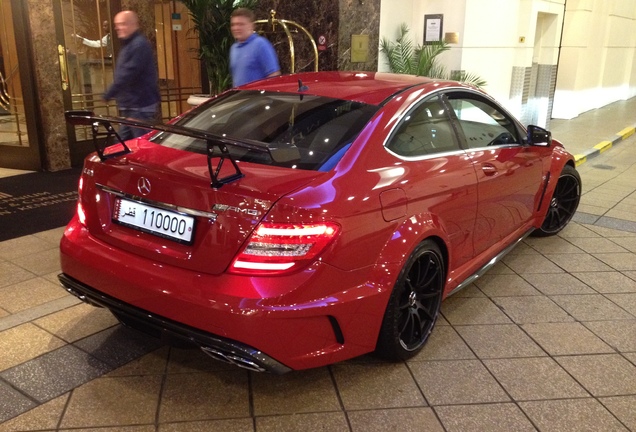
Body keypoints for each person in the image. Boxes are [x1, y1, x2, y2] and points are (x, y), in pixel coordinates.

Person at [103, 10, 160, 140]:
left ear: (133, 24)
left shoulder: (138, 45)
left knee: (139, 147)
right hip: (132, 106)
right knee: (121, 145)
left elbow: (128, 73)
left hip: (139, 106)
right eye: (116, 24)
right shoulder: (129, 44)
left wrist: (109, 94)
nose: (117, 27)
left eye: (122, 24)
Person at [229, 8, 281, 87]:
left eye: (241, 24)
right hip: (241, 98)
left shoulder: (261, 45)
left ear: (251, 26)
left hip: (257, 98)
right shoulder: (234, 48)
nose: (236, 28)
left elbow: (274, 75)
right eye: (233, 25)